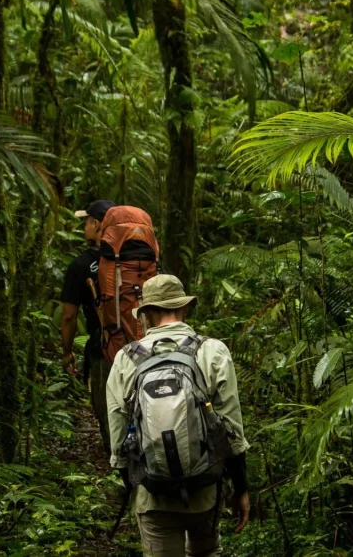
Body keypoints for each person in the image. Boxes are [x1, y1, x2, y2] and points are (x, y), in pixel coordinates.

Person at [106, 274, 250, 557]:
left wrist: (138, 486)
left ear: (146, 314)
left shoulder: (125, 359)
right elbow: (231, 429)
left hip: (153, 496)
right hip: (204, 489)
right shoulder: (212, 351)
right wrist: (241, 488)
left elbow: (118, 438)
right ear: (184, 307)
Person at [61, 198, 115, 455]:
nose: (84, 228)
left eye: (86, 223)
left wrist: (66, 352)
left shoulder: (80, 265)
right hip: (141, 342)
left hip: (103, 346)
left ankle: (118, 462)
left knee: (106, 404)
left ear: (96, 224)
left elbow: (69, 317)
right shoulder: (136, 259)